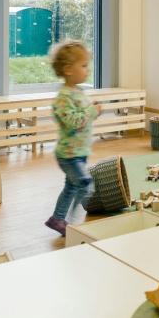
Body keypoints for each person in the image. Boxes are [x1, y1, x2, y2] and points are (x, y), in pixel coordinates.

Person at [44, 40, 101, 237]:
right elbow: (74, 122)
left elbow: (83, 115)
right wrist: (92, 111)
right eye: (84, 66)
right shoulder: (63, 97)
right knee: (86, 185)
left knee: (70, 187)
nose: (88, 70)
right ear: (68, 69)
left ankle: (58, 219)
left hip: (79, 152)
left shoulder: (78, 92)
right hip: (69, 155)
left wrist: (92, 109)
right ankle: (74, 224)